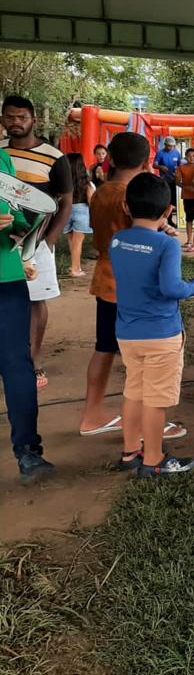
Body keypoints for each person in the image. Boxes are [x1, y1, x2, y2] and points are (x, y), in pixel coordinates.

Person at [79, 132, 188, 444]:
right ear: (147, 161)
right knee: (147, 358)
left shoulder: (101, 192)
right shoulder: (133, 195)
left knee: (105, 348)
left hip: (106, 278)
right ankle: (144, 424)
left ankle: (92, 414)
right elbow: (143, 239)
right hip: (135, 287)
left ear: (110, 159)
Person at [110, 174, 194, 477]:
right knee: (155, 401)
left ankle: (130, 453)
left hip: (127, 333)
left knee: (133, 393)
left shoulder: (118, 240)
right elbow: (171, 288)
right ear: (168, 210)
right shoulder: (167, 245)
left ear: (126, 207)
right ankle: (153, 461)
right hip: (161, 334)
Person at [1, 95, 73, 392]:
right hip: (2, 244)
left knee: (34, 300)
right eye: (9, 117)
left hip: (35, 242)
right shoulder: (0, 153)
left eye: (21, 117)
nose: (15, 122)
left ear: (34, 120)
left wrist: (49, 241)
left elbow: (66, 202)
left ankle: (33, 357)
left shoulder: (54, 157)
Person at [1, 146, 54, 482]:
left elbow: (16, 213)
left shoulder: (2, 160)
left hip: (7, 278)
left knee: (17, 364)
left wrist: (27, 227)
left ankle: (28, 452)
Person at [63, 153, 95, 278]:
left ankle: (74, 266)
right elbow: (91, 201)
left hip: (66, 211)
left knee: (71, 241)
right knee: (78, 243)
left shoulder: (64, 183)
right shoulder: (86, 183)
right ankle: (75, 269)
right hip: (82, 211)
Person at [175, 147, 194, 251]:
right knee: (189, 219)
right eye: (189, 156)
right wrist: (186, 187)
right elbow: (177, 181)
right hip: (187, 197)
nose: (191, 158)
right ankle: (189, 240)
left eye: (193, 156)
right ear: (185, 157)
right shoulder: (181, 168)